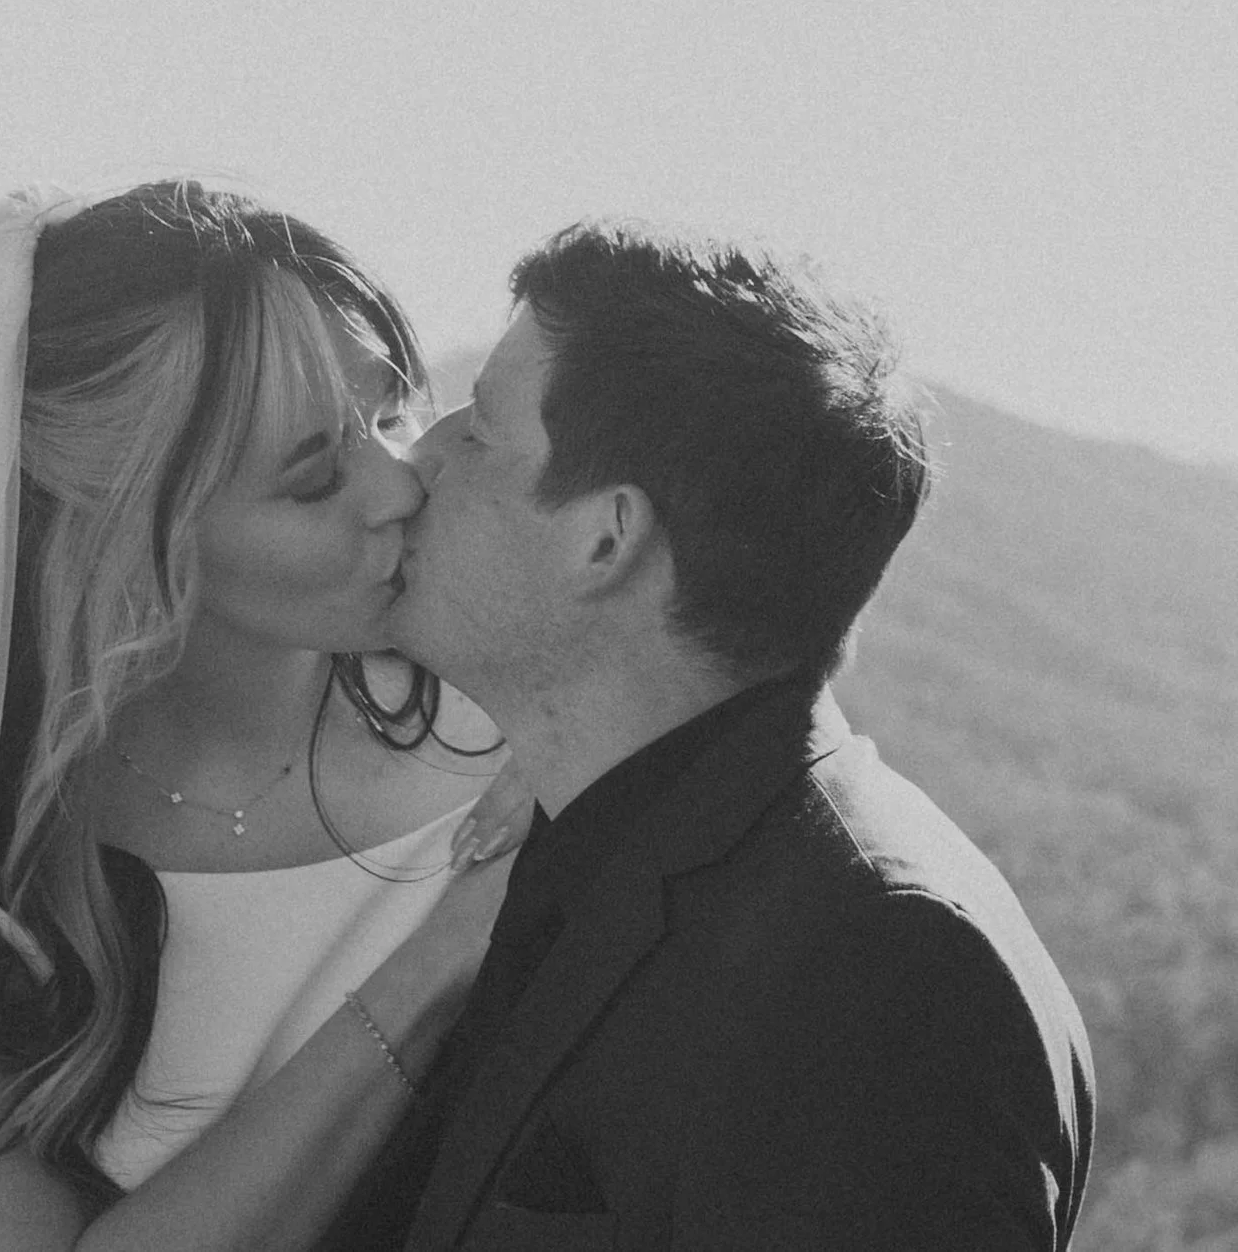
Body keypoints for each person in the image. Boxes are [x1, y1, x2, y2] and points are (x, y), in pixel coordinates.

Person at [0, 181, 523, 1252]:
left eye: (386, 416)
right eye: (314, 474)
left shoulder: (510, 707)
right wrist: (442, 957)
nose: (398, 489)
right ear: (129, 522)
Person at [328, 223, 1096, 1250]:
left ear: (605, 535)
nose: (416, 458)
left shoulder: (881, 974)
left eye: (476, 434)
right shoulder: (586, 837)